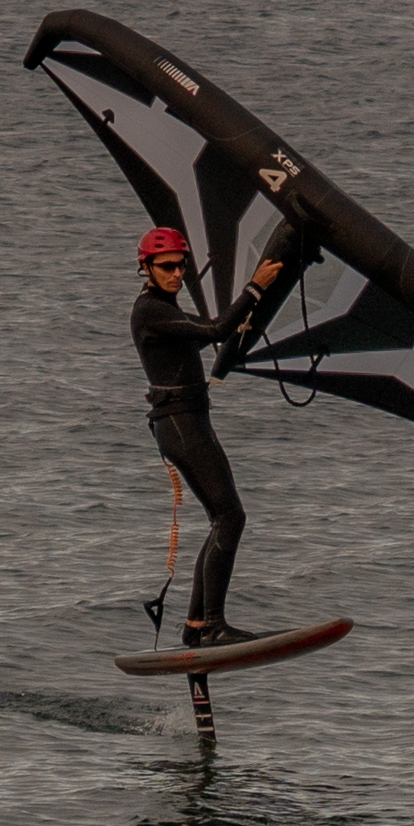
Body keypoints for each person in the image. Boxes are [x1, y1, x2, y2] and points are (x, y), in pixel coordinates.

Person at [131, 226, 295, 648]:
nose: (175, 272)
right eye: (166, 266)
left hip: (190, 423)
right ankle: (213, 625)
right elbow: (217, 329)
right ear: (145, 268)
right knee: (231, 517)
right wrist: (255, 289)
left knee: (223, 518)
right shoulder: (150, 310)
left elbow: (208, 337)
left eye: (181, 266)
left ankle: (196, 627)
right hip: (181, 426)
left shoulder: (166, 308)